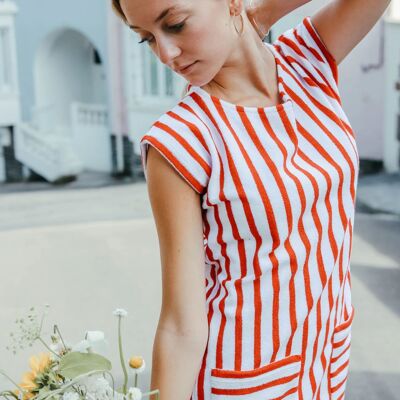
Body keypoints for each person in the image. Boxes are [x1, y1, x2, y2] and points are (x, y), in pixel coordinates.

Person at [111, 1, 391, 399]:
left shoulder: (308, 61)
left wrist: (260, 14)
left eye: (174, 24)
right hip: (243, 380)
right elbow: (180, 324)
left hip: (325, 364)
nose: (166, 54)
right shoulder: (180, 140)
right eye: (147, 40)